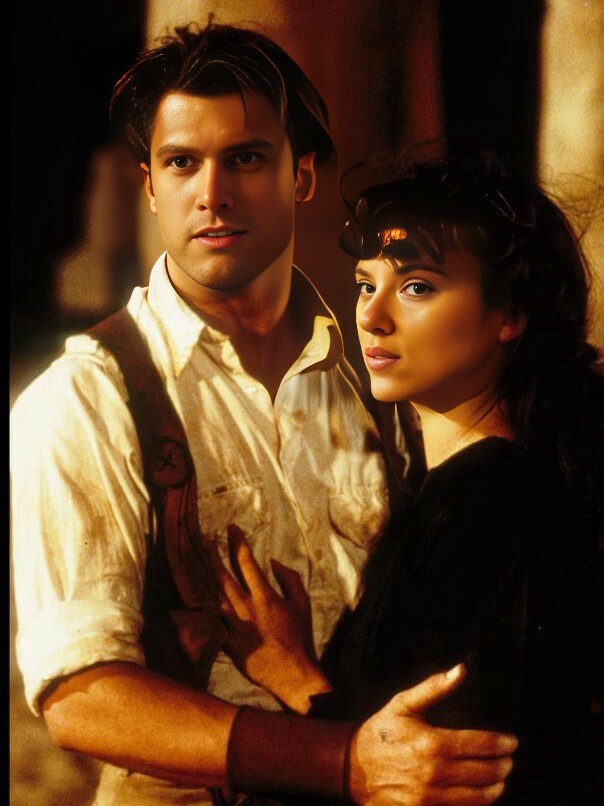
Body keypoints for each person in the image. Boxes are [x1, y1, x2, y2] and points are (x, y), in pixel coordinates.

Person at [9, 22, 518, 806]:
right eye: (182, 162)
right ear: (150, 185)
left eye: (245, 158)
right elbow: (82, 698)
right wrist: (344, 762)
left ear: (302, 175)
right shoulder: (85, 399)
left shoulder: (375, 384)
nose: (212, 193)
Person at [213, 155, 604, 804]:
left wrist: (294, 675)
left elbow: (441, 771)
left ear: (510, 315)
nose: (372, 315)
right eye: (366, 284)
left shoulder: (486, 505)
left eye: (417, 287)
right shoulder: (481, 484)